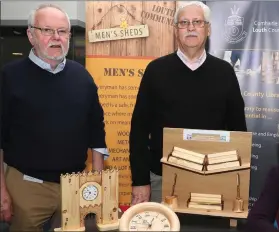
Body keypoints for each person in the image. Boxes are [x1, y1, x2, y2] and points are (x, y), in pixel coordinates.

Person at [0, 4, 108, 231]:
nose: (56, 38)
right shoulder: (9, 77)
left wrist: (97, 180)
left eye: (62, 31)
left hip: (75, 183)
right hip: (27, 187)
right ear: (31, 35)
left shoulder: (83, 77)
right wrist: (1, 191)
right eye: (47, 30)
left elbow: (96, 131)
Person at [129, 1, 247, 205]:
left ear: (208, 29)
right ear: (176, 30)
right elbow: (138, 131)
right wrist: (140, 181)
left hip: (214, 180)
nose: (191, 27)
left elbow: (238, 132)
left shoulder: (225, 72)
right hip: (162, 180)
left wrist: (235, 183)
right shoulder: (155, 71)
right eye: (184, 23)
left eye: (197, 22)